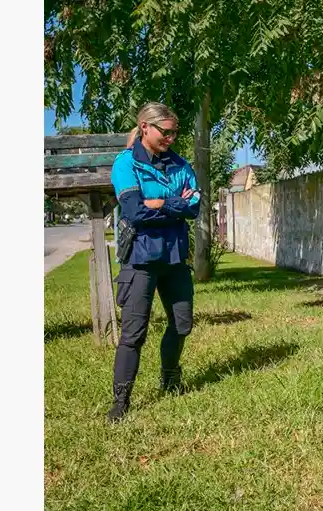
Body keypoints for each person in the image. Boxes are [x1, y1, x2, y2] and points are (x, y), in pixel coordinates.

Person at [105, 101, 202, 423]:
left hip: (175, 258)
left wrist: (161, 202)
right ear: (145, 127)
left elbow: (194, 207)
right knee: (134, 333)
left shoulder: (180, 164)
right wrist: (173, 204)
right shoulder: (126, 164)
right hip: (140, 259)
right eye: (167, 132)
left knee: (182, 324)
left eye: (175, 132)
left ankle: (170, 381)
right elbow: (133, 212)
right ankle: (121, 401)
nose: (172, 138)